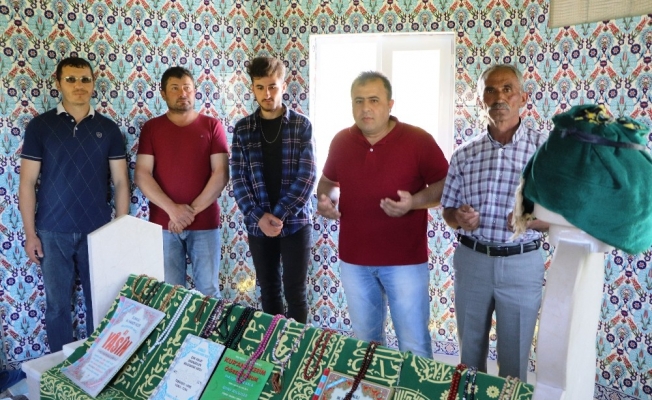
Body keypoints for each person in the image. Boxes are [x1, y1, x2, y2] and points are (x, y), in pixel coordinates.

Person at [316, 71, 448, 358]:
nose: (366, 108)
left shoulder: (418, 140)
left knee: (413, 344)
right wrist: (327, 200)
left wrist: (413, 202)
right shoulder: (341, 141)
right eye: (358, 101)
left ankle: (415, 385)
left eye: (374, 100)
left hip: (405, 262)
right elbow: (328, 182)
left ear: (390, 104)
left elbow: (447, 185)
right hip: (355, 261)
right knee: (366, 344)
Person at [440, 64, 549, 381]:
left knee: (514, 360)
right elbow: (448, 211)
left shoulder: (545, 150)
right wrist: (459, 218)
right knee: (469, 357)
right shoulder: (464, 154)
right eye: (490, 90)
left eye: (507, 89)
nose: (499, 97)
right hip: (472, 261)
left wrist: (528, 220)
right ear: (480, 100)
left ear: (523, 98)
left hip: (522, 263)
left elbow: (563, 213)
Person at [19, 56, 130, 352]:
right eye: (70, 79)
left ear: (93, 83)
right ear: (58, 83)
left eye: (84, 79)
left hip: (98, 231)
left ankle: (99, 364)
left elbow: (121, 182)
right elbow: (27, 183)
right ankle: (59, 366)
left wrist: (120, 229)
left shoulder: (108, 129)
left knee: (102, 303)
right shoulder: (40, 126)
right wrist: (30, 234)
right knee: (57, 307)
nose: (78, 85)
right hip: (52, 231)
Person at [231, 57, 316, 323]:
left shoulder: (302, 125)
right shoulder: (243, 129)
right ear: (253, 88)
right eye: (260, 87)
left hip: (296, 222)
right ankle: (273, 346)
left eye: (272, 87)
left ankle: (297, 347)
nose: (267, 94)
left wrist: (278, 215)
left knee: (295, 293)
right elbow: (238, 179)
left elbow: (307, 177)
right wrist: (259, 217)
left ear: (283, 86)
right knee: (268, 291)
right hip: (258, 224)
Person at [135, 66, 229, 297]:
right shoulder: (152, 128)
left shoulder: (212, 126)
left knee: (209, 291)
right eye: (175, 88)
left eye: (187, 88)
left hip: (205, 224)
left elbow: (221, 174)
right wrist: (173, 211)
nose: (182, 93)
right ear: (163, 93)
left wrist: (188, 213)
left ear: (195, 91)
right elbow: (142, 174)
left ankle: (208, 327)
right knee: (169, 293)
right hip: (164, 225)